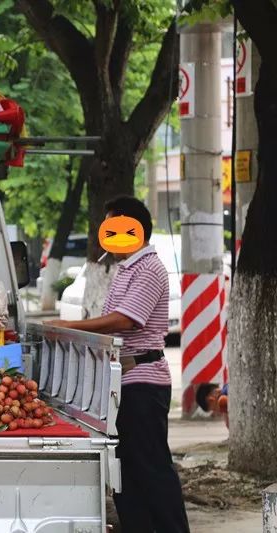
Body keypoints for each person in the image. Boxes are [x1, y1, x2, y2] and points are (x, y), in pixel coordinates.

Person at [46, 196, 190, 533]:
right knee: (125, 471)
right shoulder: (127, 268)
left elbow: (125, 321)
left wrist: (68, 327)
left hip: (143, 381)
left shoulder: (150, 269)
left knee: (151, 467)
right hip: (120, 383)